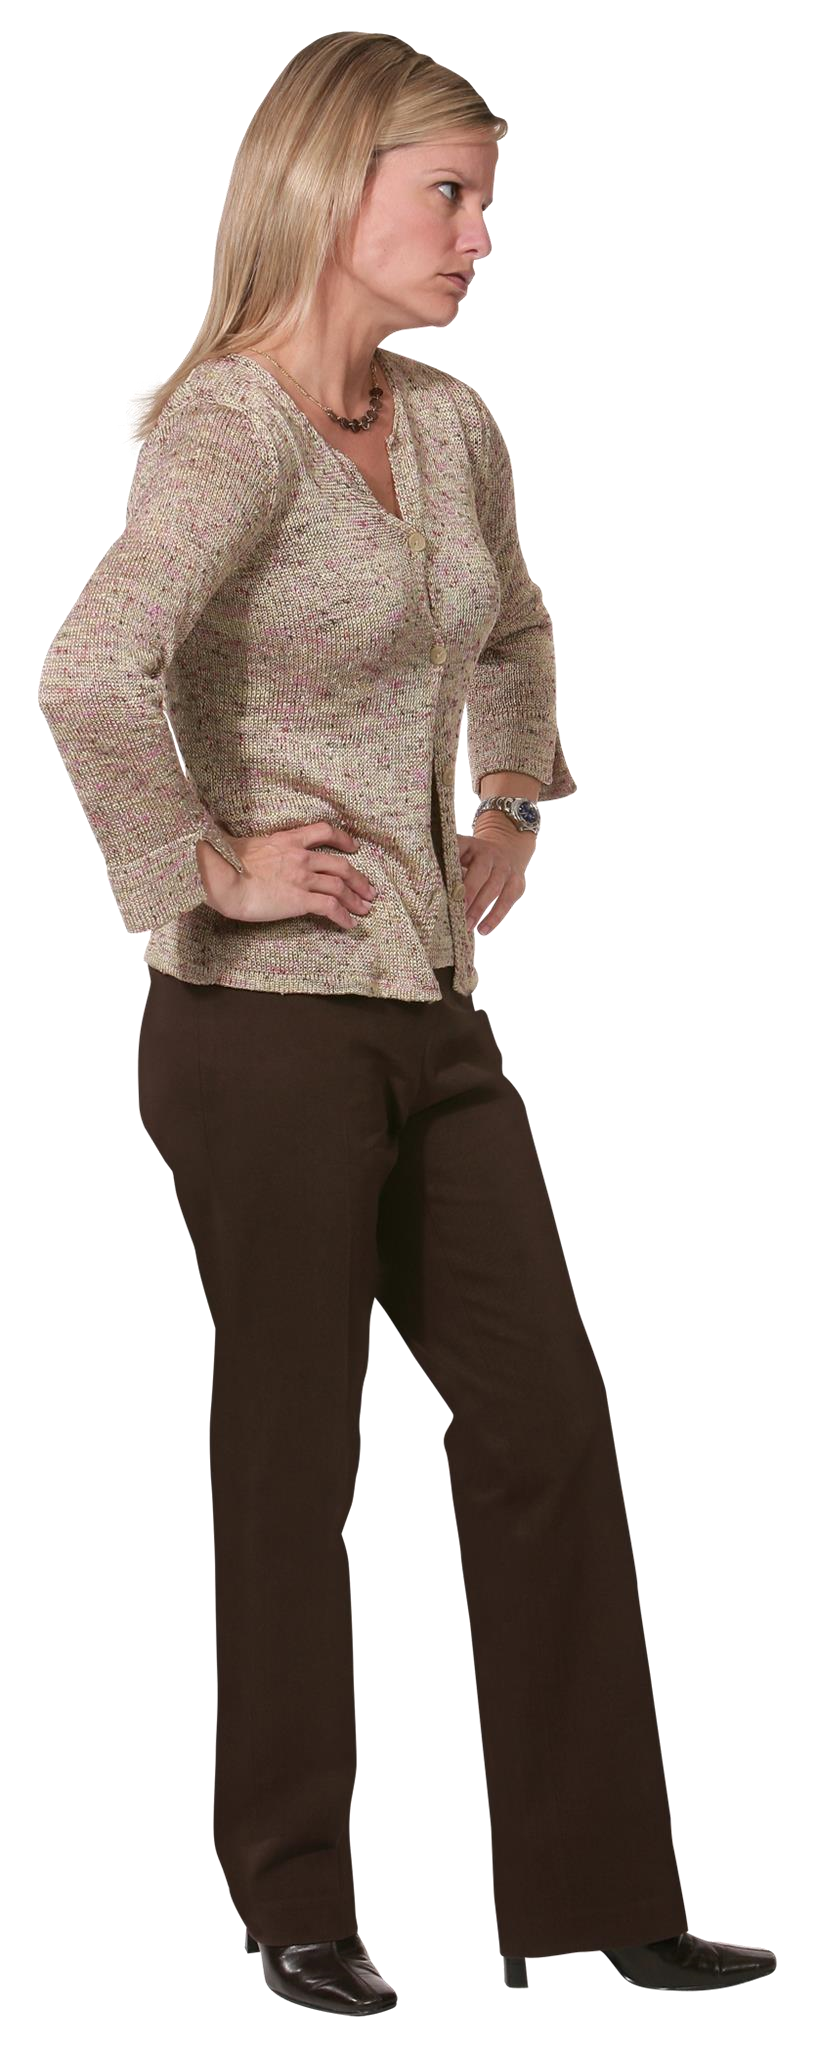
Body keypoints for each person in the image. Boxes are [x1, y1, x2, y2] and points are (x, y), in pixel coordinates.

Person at [37, 32, 777, 2015]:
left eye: (487, 200)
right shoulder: (229, 430)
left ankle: (598, 1896)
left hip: (436, 1016)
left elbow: (515, 621)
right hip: (258, 1031)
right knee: (296, 1450)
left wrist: (514, 798)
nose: (480, 236)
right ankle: (296, 1896)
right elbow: (90, 674)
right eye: (448, 193)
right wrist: (203, 865)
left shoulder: (450, 427)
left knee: (548, 1423)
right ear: (327, 186)